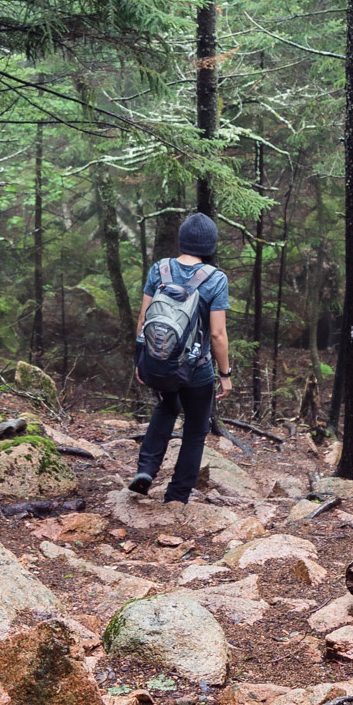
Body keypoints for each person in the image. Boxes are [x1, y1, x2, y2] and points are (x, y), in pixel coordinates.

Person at [129, 212, 232, 503]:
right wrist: (225, 375)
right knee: (196, 431)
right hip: (197, 371)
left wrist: (141, 360)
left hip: (160, 361)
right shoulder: (215, 279)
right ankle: (177, 495)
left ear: (181, 240)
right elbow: (217, 335)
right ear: (210, 246)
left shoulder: (160, 269)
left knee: (165, 408)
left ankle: (146, 470)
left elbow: (143, 318)